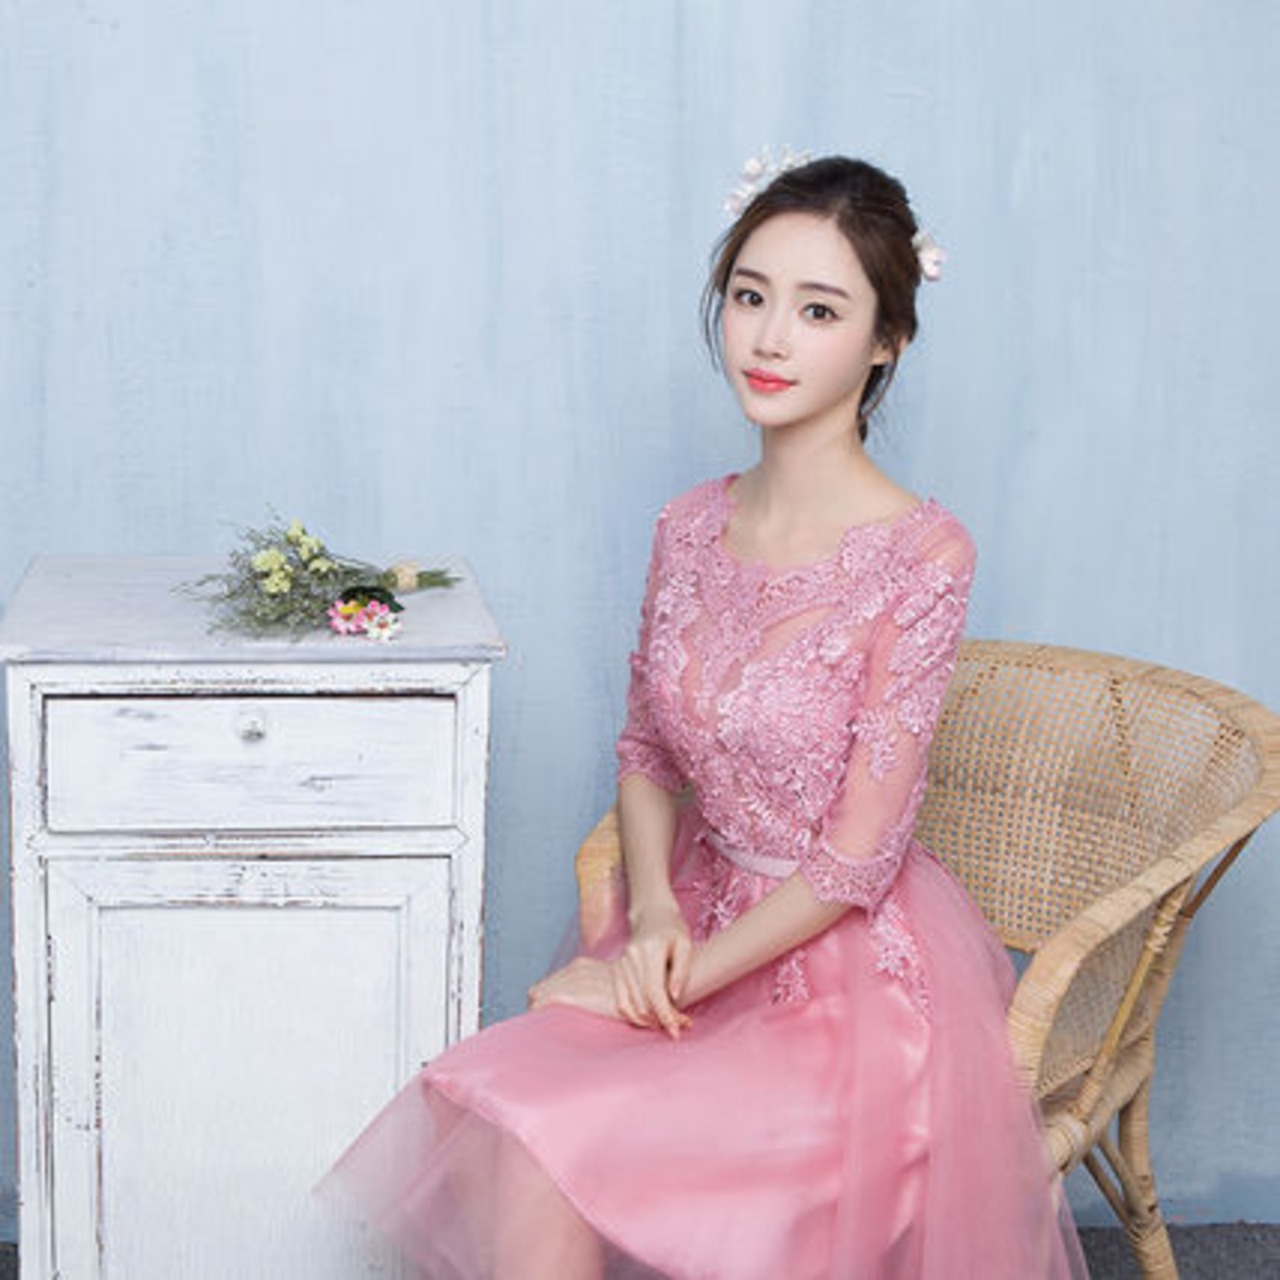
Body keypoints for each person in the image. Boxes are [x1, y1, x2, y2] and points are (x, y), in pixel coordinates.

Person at [320, 154, 1090, 1280]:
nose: (768, 338)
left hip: (844, 985)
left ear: (885, 341)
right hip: (686, 915)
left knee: (559, 1136)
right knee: (507, 1114)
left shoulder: (924, 557)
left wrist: (667, 982)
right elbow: (643, 750)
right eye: (749, 295)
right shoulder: (687, 525)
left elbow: (858, 857)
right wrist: (647, 919)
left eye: (818, 310)